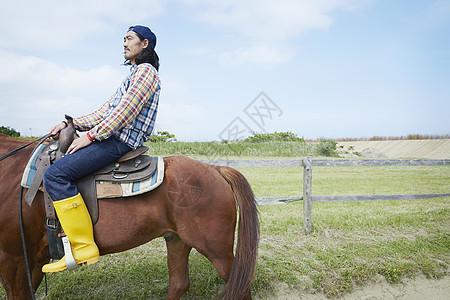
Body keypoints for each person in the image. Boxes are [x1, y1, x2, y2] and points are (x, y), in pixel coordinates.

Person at [42, 25, 161, 273]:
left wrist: (90, 137)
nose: (124, 44)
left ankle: (83, 247)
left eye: (129, 39)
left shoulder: (146, 72)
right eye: (124, 39)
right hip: (112, 137)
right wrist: (70, 124)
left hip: (119, 141)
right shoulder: (133, 74)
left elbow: (125, 112)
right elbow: (105, 111)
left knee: (55, 174)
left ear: (145, 44)